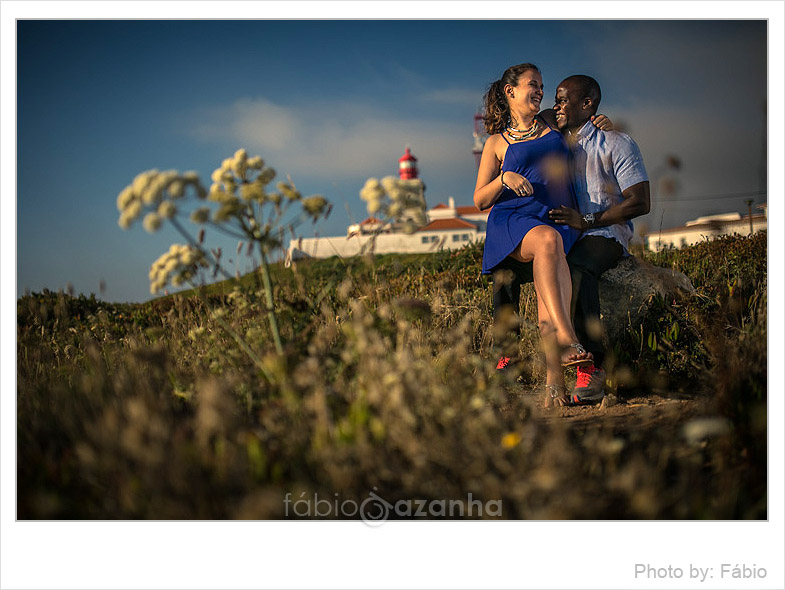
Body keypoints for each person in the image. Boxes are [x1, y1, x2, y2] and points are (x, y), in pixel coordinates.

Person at [473, 63, 592, 407]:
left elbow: (585, 117)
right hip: (513, 221)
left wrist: (601, 122)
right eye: (533, 85)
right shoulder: (496, 142)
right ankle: (569, 337)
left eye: (541, 85)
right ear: (510, 92)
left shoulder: (553, 122)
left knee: (547, 287)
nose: (540, 91)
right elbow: (480, 199)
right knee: (547, 241)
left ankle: (554, 383)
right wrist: (504, 179)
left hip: (556, 219)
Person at [548, 74, 650, 404]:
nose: (556, 105)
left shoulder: (617, 143)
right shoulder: (558, 144)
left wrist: (587, 220)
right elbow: (542, 118)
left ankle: (592, 370)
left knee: (576, 271)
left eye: (563, 100)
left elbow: (640, 202)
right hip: (569, 235)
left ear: (587, 104)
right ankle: (510, 363)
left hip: (605, 234)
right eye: (555, 99)